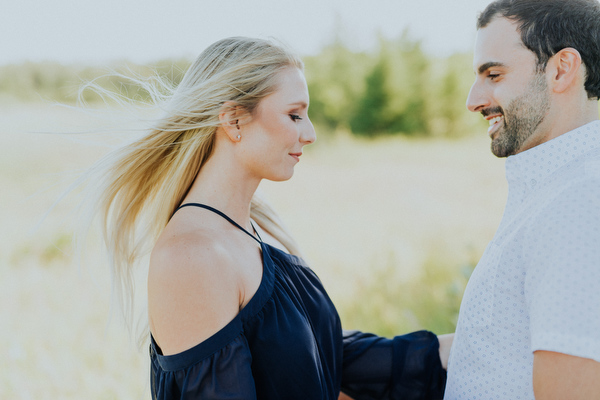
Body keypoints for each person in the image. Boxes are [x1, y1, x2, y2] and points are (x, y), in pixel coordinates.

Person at [87, 37, 450, 399]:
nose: (309, 134)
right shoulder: (192, 256)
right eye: (294, 115)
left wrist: (455, 348)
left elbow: (319, 359)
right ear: (233, 120)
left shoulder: (257, 229)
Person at [444, 1, 600, 399]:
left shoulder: (579, 200)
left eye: (493, 74)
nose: (473, 100)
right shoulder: (556, 190)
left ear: (561, 70)